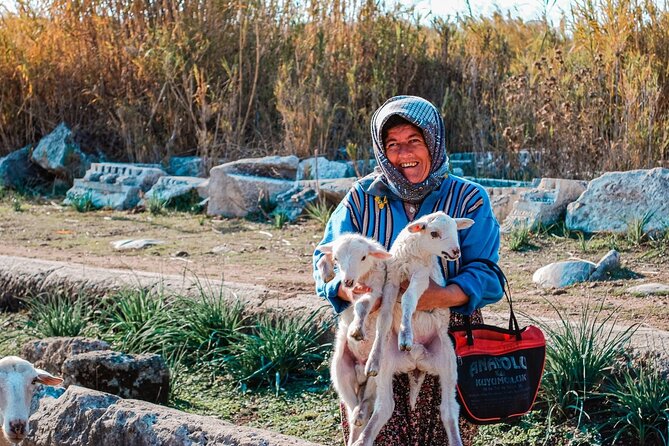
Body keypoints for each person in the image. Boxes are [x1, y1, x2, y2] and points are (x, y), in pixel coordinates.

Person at [312, 95, 504, 445]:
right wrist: (346, 289)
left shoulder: (468, 199)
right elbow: (325, 258)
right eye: (393, 145)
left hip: (441, 331)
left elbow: (488, 274)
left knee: (444, 431)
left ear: (433, 141)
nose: (404, 154)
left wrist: (440, 296)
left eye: (414, 141)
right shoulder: (361, 198)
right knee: (377, 430)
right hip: (376, 329)